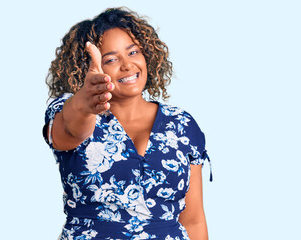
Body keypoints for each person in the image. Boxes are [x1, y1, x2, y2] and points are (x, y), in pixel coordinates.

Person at [43, 7, 211, 240]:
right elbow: (71, 130)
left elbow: (193, 220)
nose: (127, 65)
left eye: (133, 52)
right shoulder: (70, 110)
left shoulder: (181, 124)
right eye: (110, 59)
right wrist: (84, 101)